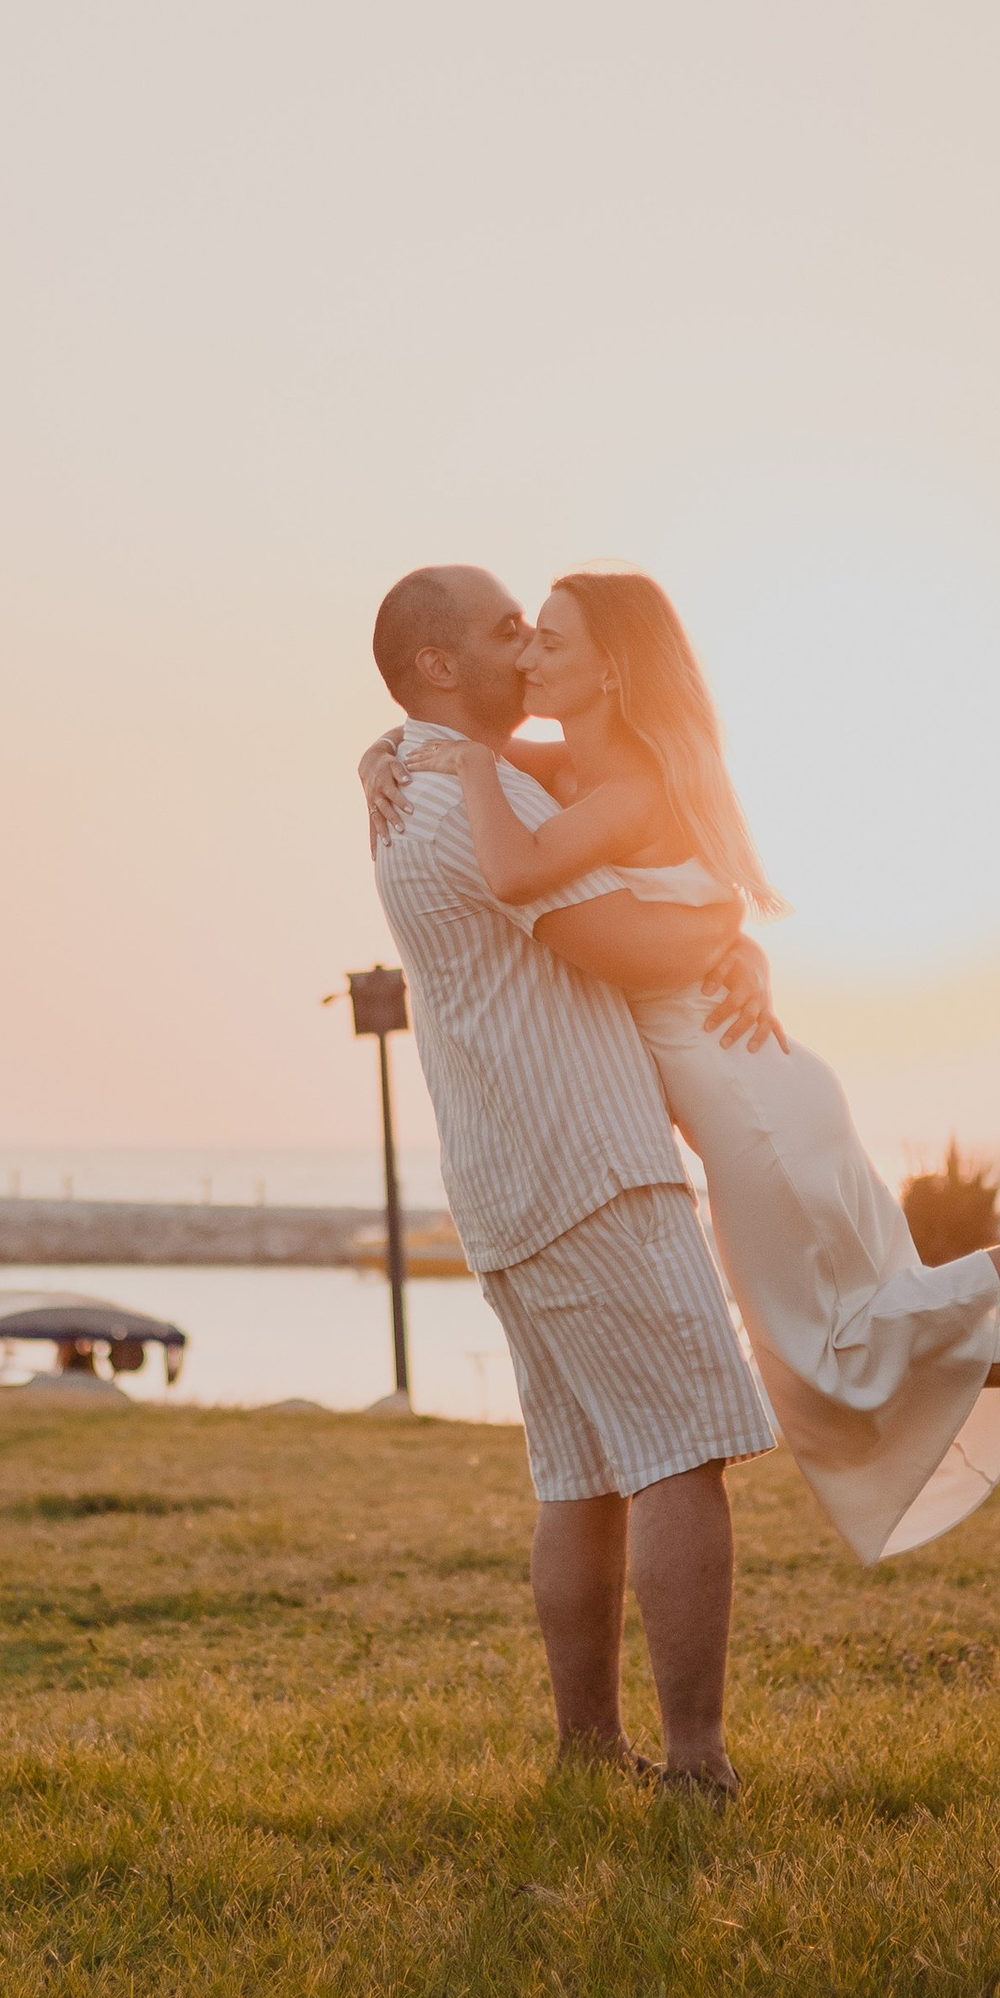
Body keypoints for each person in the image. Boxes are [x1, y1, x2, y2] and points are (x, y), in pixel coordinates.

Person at [367, 568, 1000, 1569]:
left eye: (544, 639)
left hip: (738, 1096)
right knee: (860, 1329)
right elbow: (453, 743)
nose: (524, 654)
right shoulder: (578, 770)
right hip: (759, 1081)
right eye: (518, 635)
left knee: (830, 1351)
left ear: (609, 669)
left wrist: (461, 767)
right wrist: (379, 755)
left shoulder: (611, 783)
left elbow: (514, 861)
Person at [366, 566, 786, 1798]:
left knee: (580, 1470)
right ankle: (697, 1764)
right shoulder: (467, 797)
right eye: (507, 631)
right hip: (588, 1160)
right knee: (681, 1455)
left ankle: (589, 1750)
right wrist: (734, 936)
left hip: (503, 1176)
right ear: (441, 667)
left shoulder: (414, 775)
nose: (527, 648)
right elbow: (623, 935)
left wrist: (724, 933)